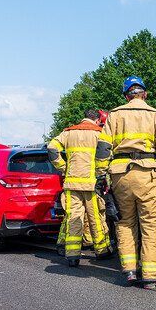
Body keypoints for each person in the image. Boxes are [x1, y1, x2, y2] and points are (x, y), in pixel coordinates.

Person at [96, 77, 156, 288]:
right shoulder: (155, 115)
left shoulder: (114, 115)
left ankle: (130, 270)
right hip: (147, 174)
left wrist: (100, 176)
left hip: (120, 175)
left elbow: (104, 148)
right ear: (145, 94)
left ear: (126, 96)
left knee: (124, 222)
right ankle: (150, 275)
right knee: (150, 224)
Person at [48, 109, 113, 266]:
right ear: (97, 120)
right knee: (95, 218)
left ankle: (72, 255)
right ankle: (102, 251)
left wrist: (63, 167)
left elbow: (51, 148)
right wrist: (102, 175)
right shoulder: (100, 133)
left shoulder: (69, 132)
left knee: (73, 217)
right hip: (92, 184)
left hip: (72, 183)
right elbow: (105, 155)